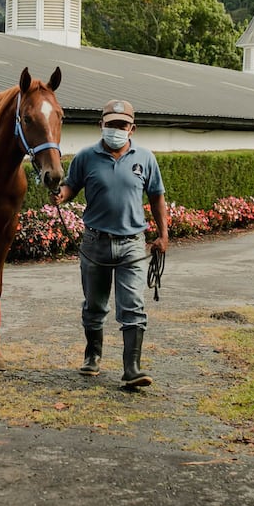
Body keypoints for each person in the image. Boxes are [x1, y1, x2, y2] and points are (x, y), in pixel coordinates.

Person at [55, 99, 169, 389]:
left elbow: (156, 197)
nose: (116, 130)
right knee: (94, 305)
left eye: (122, 125)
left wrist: (163, 234)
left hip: (132, 244)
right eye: (111, 124)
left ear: (132, 128)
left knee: (133, 305)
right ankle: (93, 355)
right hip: (95, 242)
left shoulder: (145, 158)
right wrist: (62, 195)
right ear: (101, 125)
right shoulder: (86, 157)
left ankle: (132, 368)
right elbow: (71, 185)